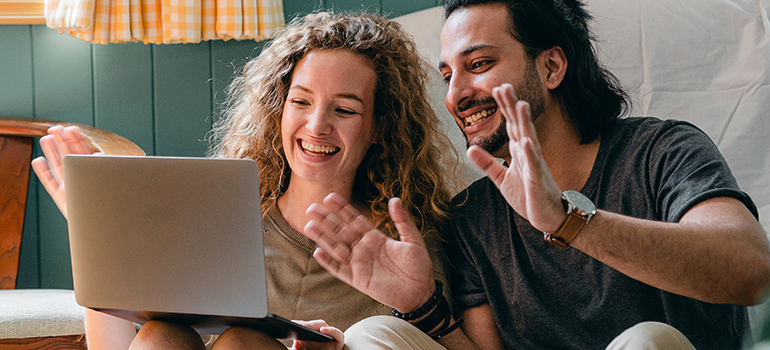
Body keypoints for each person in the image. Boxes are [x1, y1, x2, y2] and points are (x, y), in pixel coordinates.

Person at [301, 0, 770, 349]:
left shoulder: (661, 152)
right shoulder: (474, 216)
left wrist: (568, 222)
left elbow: (751, 272)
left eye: (479, 64)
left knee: (647, 340)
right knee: (373, 333)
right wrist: (423, 307)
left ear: (551, 66)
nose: (456, 94)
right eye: (448, 75)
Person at [30, 11, 459, 350]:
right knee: (163, 335)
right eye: (301, 102)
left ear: (380, 126)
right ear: (278, 109)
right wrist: (96, 236)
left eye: (344, 110)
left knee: (243, 342)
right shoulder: (222, 224)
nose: (317, 125)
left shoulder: (402, 249)